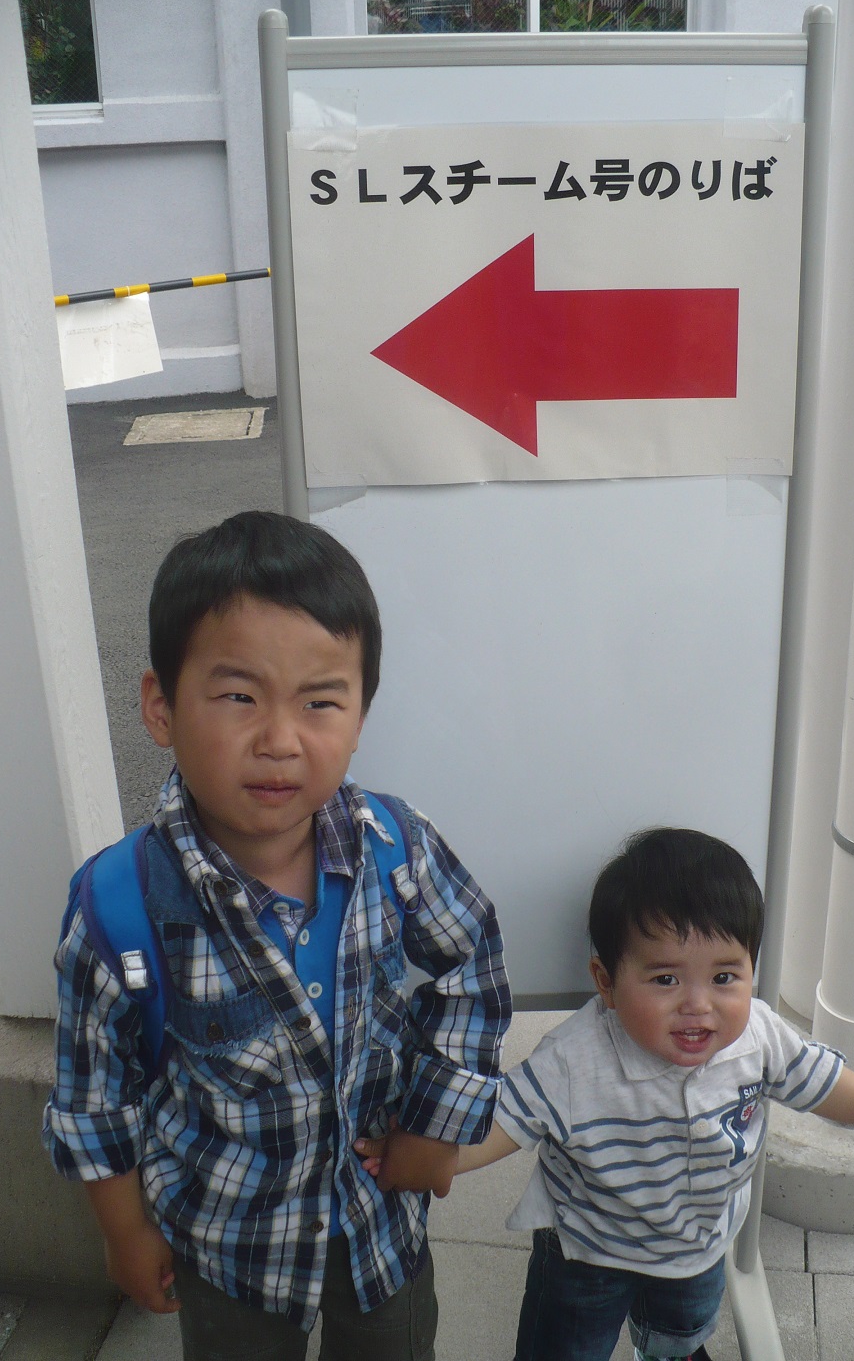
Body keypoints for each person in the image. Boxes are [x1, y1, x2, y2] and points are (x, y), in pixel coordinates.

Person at [43, 510, 511, 1361]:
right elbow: (93, 1099)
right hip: (230, 1248)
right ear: (160, 705)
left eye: (320, 700)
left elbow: (470, 963)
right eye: (238, 696)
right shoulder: (119, 905)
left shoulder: (394, 848)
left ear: (360, 713)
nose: (279, 740)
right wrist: (126, 1233)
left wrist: (437, 1124)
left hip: (378, 1221)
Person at [359, 827, 854, 1361]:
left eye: (724, 977)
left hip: (699, 1244)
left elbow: (820, 1081)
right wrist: (430, 1156)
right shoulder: (575, 1060)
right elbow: (502, 1124)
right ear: (606, 983)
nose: (698, 1004)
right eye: (665, 979)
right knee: (566, 1345)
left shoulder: (760, 1038)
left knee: (681, 1329)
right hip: (588, 1249)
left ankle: (670, 1351)